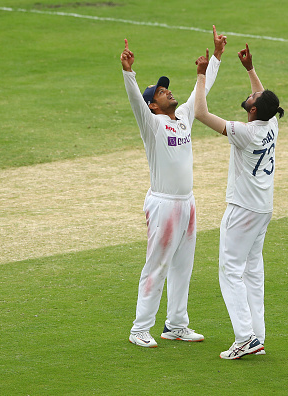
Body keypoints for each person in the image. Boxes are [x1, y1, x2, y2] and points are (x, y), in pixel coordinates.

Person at [120, 26, 227, 348]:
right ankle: (140, 328)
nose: (167, 92)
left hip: (187, 203)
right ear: (152, 105)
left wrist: (215, 59)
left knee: (183, 266)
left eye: (166, 90)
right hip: (164, 203)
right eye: (160, 93)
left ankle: (176, 324)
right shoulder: (151, 123)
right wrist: (129, 73)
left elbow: (200, 94)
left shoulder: (182, 117)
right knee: (157, 265)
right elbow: (135, 103)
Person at [194, 44, 284, 359]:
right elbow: (265, 99)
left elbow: (200, 113)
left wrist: (202, 75)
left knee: (230, 270)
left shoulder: (245, 132)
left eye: (253, 98)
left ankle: (245, 338)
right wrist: (250, 69)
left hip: (243, 210)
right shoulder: (271, 123)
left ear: (254, 110)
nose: (251, 95)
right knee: (252, 271)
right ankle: (256, 336)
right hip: (262, 209)